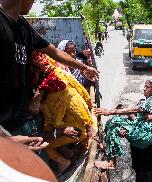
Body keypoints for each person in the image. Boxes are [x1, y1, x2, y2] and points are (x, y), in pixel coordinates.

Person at [0, 0, 99, 140]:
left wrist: (84, 67)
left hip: (20, 116)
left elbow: (56, 53)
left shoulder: (23, 27)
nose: (34, 3)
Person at [32, 51, 97, 173]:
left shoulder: (58, 84)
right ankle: (69, 156)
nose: (45, 66)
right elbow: (82, 92)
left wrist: (88, 125)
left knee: (46, 147)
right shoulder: (47, 91)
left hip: (78, 128)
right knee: (50, 142)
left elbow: (78, 103)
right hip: (72, 128)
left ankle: (64, 162)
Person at [94, 79, 152, 182]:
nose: (144, 89)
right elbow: (135, 114)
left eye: (147, 87)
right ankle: (110, 155)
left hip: (146, 142)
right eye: (144, 86)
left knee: (113, 123)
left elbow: (133, 110)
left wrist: (109, 111)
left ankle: (112, 161)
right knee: (140, 176)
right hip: (140, 143)